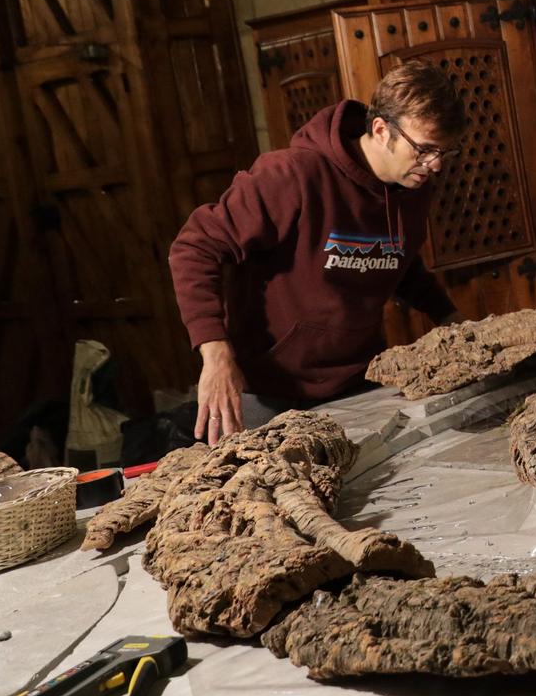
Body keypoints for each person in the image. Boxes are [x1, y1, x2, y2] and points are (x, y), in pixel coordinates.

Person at [170, 59, 467, 442]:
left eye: (444, 152)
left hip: (360, 382)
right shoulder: (292, 175)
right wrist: (215, 353)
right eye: (424, 149)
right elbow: (194, 248)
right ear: (380, 130)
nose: (436, 165)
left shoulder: (412, 187)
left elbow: (395, 259)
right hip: (272, 393)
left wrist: (449, 316)